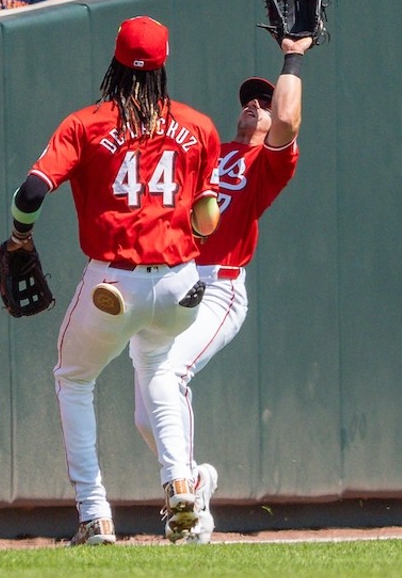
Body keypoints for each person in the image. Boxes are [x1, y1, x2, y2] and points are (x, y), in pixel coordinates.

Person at [6, 16, 221, 546]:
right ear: (163, 64)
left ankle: (94, 513)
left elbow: (30, 195)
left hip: (114, 284)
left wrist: (18, 238)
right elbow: (207, 218)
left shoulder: (87, 123)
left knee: (75, 379)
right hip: (180, 285)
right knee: (158, 368)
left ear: (116, 62)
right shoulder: (198, 127)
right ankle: (179, 486)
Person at [132, 33, 313, 545]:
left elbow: (289, 122)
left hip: (218, 288)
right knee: (146, 414)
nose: (255, 107)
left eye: (263, 100)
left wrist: (292, 58)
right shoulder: (208, 151)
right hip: (166, 283)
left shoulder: (266, 162)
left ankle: (185, 501)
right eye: (248, 101)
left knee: (168, 374)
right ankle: (196, 479)